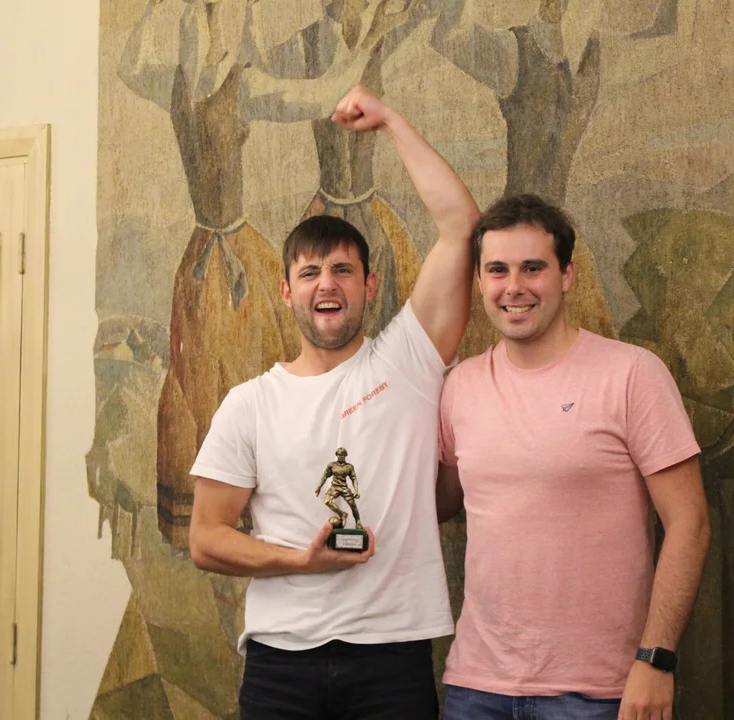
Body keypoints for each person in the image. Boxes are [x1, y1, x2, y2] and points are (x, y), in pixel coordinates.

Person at [188, 85, 480, 720]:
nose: (327, 284)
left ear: (369, 285)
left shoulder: (408, 360)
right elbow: (206, 539)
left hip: (392, 658)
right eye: (310, 273)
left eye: (343, 270)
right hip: (280, 663)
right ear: (286, 291)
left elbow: (462, 226)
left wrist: (391, 121)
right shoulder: (248, 404)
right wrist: (301, 560)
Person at [436, 195, 711, 720]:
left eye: (532, 268)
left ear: (567, 275)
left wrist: (656, 659)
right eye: (497, 270)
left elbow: (690, 523)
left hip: (598, 693)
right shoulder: (460, 386)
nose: (513, 287)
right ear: (479, 280)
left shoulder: (631, 374)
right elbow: (440, 503)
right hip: (476, 688)